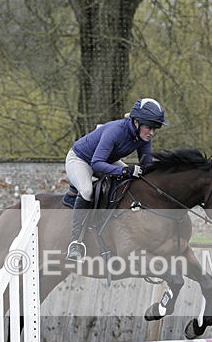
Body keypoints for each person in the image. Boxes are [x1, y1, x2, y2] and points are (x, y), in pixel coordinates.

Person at [65, 97, 168, 261]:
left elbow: (146, 166)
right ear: (136, 122)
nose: (152, 133)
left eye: (155, 128)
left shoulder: (143, 138)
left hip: (106, 159)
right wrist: (125, 170)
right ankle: (75, 243)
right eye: (149, 127)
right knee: (87, 191)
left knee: (135, 178)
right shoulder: (115, 131)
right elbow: (97, 164)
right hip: (81, 159)